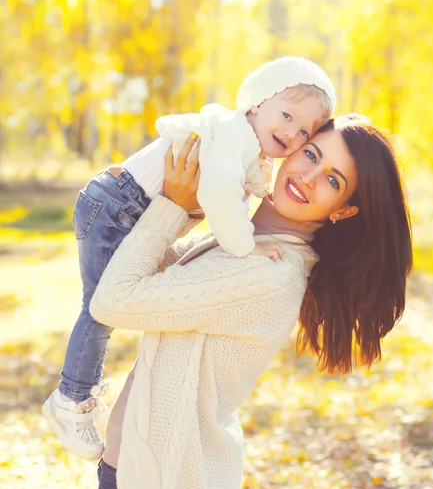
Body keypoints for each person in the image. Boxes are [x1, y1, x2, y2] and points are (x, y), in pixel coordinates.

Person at [40, 114, 413, 489]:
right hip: (138, 484)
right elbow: (161, 285)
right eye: (311, 155)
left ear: (342, 210)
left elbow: (113, 301)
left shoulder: (267, 272)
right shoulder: (253, 244)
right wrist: (189, 204)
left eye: (333, 181)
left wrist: (174, 206)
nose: (308, 178)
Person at [42, 56, 336, 461]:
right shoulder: (233, 138)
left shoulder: (243, 141)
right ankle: (71, 400)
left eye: (303, 130)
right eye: (286, 115)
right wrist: (246, 243)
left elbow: (244, 181)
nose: (291, 131)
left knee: (106, 298)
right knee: (100, 308)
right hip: (117, 206)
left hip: (121, 203)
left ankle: (76, 396)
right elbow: (217, 193)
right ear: (255, 103)